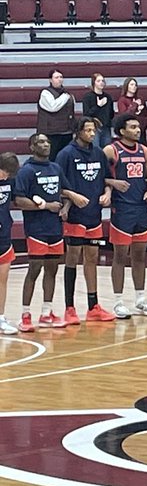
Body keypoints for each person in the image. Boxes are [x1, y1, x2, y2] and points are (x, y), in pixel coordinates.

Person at [56, 117, 116, 324]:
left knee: (91, 258)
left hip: (94, 216)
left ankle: (93, 306)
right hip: (74, 216)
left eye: (94, 131)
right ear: (78, 131)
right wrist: (71, 197)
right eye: (88, 130)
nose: (92, 134)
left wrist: (107, 193)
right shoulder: (66, 155)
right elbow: (57, 184)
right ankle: (69, 307)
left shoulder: (98, 153)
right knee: (72, 258)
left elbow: (106, 179)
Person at [104, 113, 147, 318]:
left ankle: (140, 298)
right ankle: (118, 301)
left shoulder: (144, 150)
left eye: (139, 127)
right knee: (120, 256)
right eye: (133, 127)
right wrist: (111, 185)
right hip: (122, 209)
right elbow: (99, 176)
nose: (138, 130)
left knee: (140, 256)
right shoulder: (111, 150)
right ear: (122, 131)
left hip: (140, 208)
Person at [14, 134, 66, 332]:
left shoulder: (55, 168)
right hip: (36, 229)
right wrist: (46, 206)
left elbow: (64, 191)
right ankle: (26, 315)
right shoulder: (26, 171)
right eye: (40, 143)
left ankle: (46, 312)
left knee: (52, 270)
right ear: (31, 147)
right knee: (34, 269)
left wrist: (65, 208)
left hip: (55, 228)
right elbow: (19, 201)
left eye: (47, 142)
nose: (45, 145)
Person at [37, 70, 75, 160]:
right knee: (51, 158)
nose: (59, 79)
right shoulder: (45, 93)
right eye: (56, 77)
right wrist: (65, 97)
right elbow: (53, 107)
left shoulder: (67, 93)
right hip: (51, 133)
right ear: (50, 80)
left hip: (66, 132)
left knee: (65, 159)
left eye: (61, 77)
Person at [0, 153, 19, 335]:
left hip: (4, 236)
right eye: (4, 172)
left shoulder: (9, 182)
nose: (5, 176)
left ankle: (1, 317)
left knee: (2, 279)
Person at [82, 72, 115, 148]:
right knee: (95, 148)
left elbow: (111, 114)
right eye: (98, 81)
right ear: (94, 83)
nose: (101, 83)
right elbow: (86, 114)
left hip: (106, 127)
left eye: (102, 81)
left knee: (107, 149)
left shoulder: (108, 97)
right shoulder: (88, 97)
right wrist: (98, 106)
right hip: (94, 128)